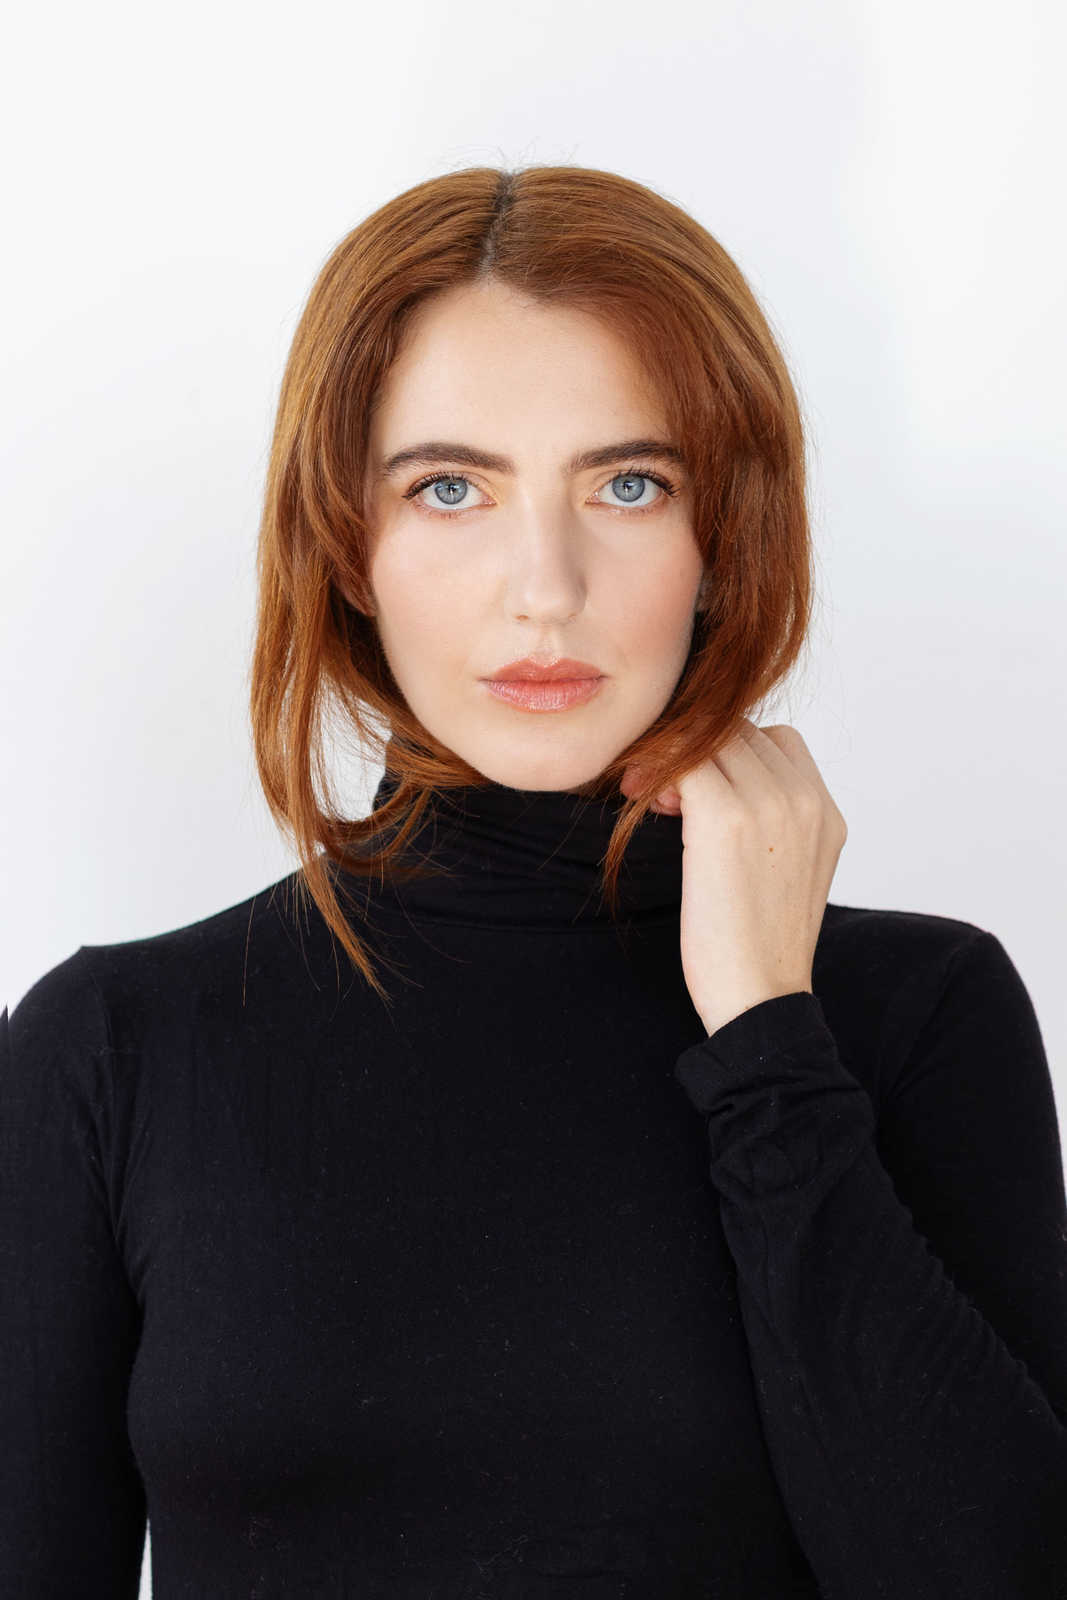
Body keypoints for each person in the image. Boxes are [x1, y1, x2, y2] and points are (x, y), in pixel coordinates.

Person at [3, 164, 1066, 1599]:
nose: (545, 587)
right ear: (350, 546)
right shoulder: (114, 1052)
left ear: (721, 540)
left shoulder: (911, 1016)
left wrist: (769, 1040)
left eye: (630, 485)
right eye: (450, 489)